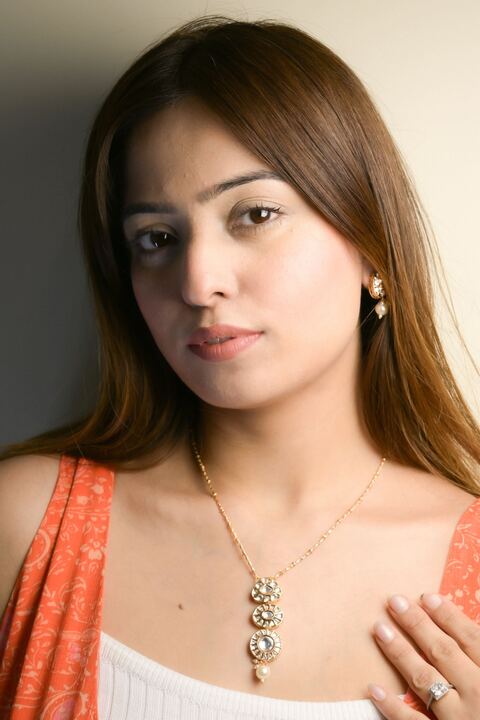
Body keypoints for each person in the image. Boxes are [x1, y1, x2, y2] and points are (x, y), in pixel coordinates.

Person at [1, 13, 479, 720]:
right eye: (156, 238)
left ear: (371, 244)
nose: (198, 283)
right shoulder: (24, 526)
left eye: (253, 215)